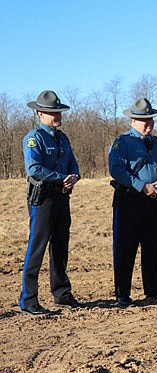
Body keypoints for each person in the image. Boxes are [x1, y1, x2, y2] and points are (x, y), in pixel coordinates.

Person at [19, 90, 84, 315]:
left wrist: (73, 177)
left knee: (60, 247)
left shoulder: (63, 138)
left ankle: (62, 294)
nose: (57, 116)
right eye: (52, 112)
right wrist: (60, 177)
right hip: (43, 198)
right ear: (40, 114)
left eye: (59, 112)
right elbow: (33, 169)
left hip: (62, 197)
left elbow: (73, 164)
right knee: (37, 248)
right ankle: (29, 299)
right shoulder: (34, 138)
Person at [109, 98, 157, 306]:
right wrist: (142, 186)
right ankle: (123, 294)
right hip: (131, 201)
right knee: (125, 249)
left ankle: (154, 290)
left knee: (152, 247)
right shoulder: (123, 142)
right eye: (143, 120)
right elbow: (117, 170)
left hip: (155, 201)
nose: (148, 124)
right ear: (132, 121)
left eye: (150, 120)